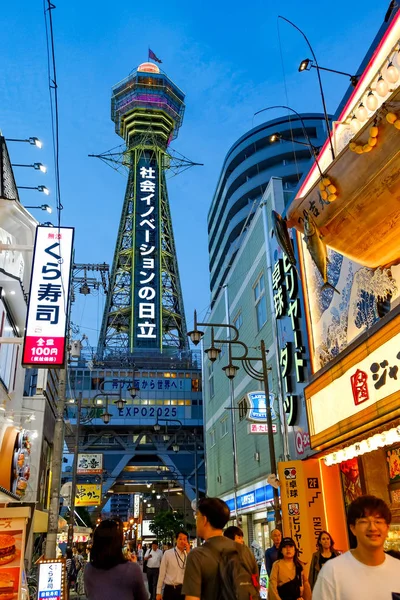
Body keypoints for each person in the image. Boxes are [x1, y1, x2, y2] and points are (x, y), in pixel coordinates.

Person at [313, 495, 400, 600]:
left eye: (378, 521)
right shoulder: (332, 572)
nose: (372, 528)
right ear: (352, 528)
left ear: (387, 528)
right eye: (364, 521)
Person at [182, 497, 259, 600]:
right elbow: (255, 588)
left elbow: (192, 598)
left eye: (197, 516)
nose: (196, 521)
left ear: (204, 520)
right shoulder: (245, 551)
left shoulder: (197, 555)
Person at [84, 518, 148, 600]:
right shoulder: (132, 569)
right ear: (118, 543)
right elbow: (143, 597)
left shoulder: (89, 569)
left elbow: (89, 594)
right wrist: (134, 564)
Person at [156, 530, 190, 600]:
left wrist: (189, 553)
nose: (182, 541)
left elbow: (191, 572)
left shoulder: (188, 555)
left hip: (183, 590)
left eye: (184, 539)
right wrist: (158, 592)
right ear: (176, 540)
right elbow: (162, 573)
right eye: (180, 539)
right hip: (170, 589)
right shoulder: (168, 553)